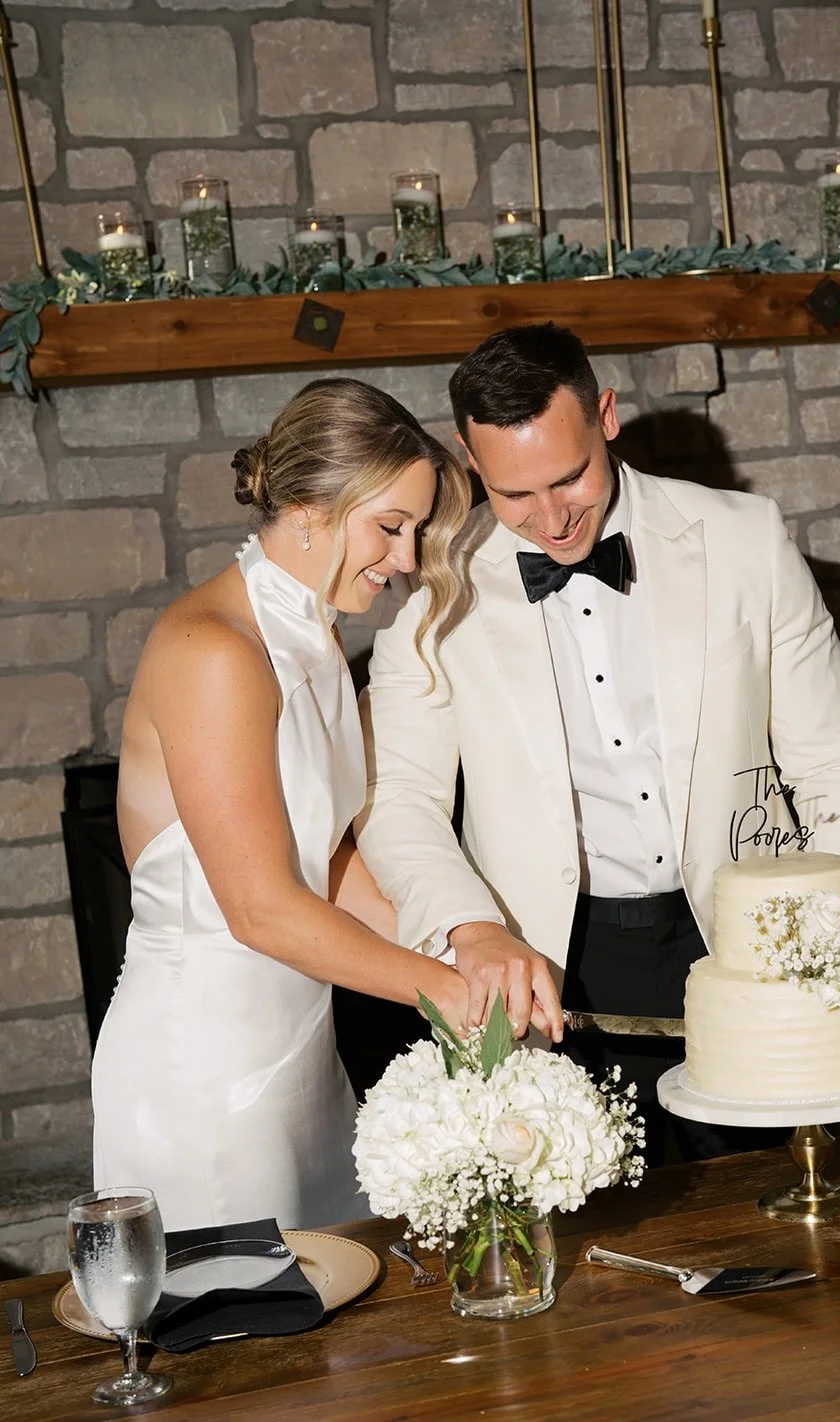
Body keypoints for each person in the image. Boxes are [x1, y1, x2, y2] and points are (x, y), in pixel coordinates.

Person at [356, 323, 840, 1164]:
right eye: (514, 494)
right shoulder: (431, 581)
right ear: (467, 455)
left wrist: (839, 935)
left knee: (775, 1197)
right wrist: (468, 930)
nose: (552, 519)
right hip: (550, 954)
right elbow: (399, 798)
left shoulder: (744, 536)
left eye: (569, 479)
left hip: (742, 928)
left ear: (605, 415)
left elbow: (828, 756)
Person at [91, 377, 472, 1232]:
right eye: (390, 526)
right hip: (205, 1078)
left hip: (299, 1052)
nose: (407, 559)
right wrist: (438, 990)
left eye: (414, 531)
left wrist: (453, 945)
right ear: (308, 506)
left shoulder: (313, 635)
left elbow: (321, 859)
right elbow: (260, 907)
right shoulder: (214, 650)